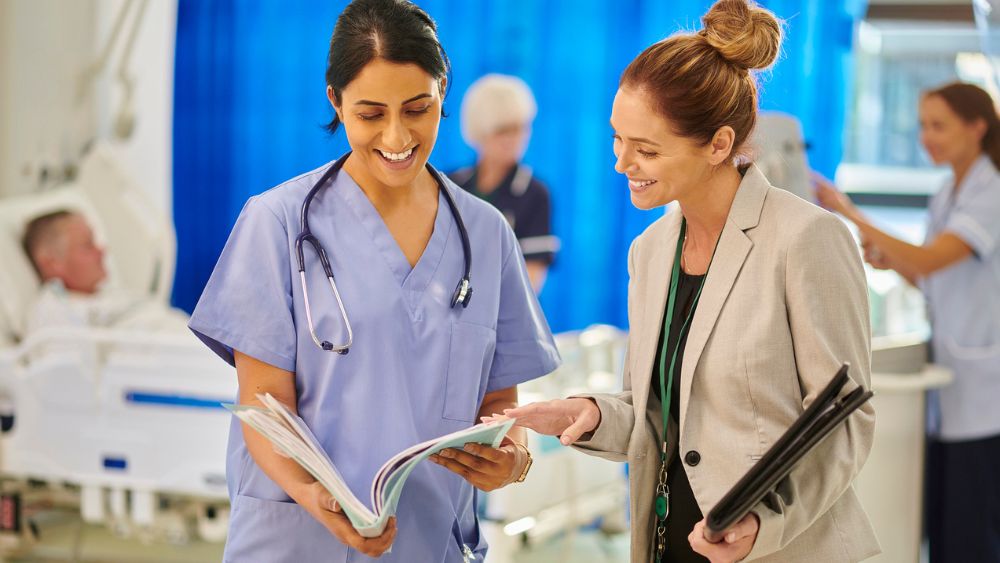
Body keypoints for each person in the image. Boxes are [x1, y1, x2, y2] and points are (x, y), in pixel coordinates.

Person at [490, 1, 880, 562]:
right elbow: (658, 416)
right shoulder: (649, 253)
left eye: (647, 149)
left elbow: (844, 421)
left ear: (719, 145)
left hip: (782, 549)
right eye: (617, 139)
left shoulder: (806, 239)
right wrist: (592, 414)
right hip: (673, 542)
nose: (623, 163)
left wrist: (764, 523)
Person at [186, 1, 560, 561]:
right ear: (335, 101)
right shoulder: (277, 222)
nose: (396, 135)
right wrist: (317, 498)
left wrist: (514, 459)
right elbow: (264, 405)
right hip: (297, 540)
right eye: (370, 113)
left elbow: (500, 405)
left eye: (418, 109)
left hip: (430, 540)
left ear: (442, 93)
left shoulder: (486, 234)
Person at [814, 82, 1000, 563]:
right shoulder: (948, 192)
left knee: (972, 531)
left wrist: (848, 211)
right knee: (943, 529)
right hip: (954, 384)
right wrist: (892, 261)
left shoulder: (992, 190)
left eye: (939, 125)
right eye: (922, 125)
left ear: (977, 127)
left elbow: (933, 259)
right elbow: (932, 277)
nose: (926, 137)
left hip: (985, 392)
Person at [449, 74, 558, 293]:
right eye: (502, 130)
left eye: (519, 128)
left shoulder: (535, 193)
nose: (513, 139)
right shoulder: (451, 185)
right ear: (480, 130)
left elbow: (530, 282)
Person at [21, 210, 188, 334]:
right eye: (87, 245)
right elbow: (63, 374)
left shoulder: (108, 296)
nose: (101, 250)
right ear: (52, 264)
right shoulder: (53, 310)